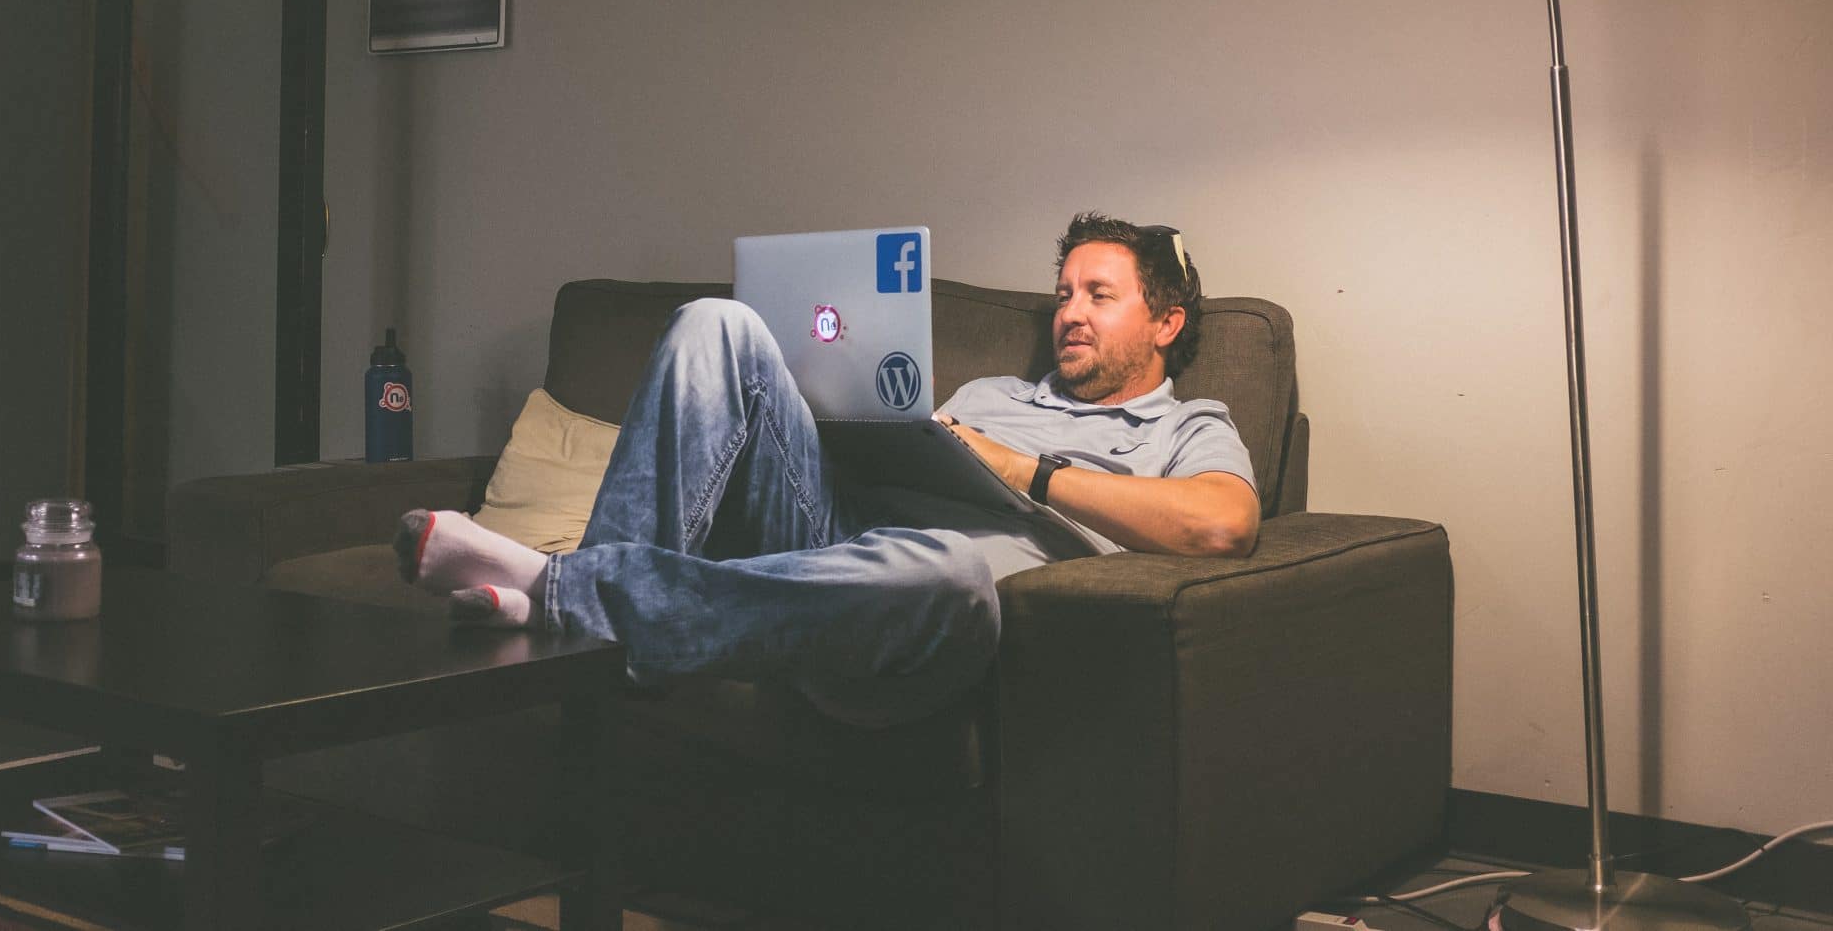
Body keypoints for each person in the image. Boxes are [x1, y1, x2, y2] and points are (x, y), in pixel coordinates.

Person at [395, 212, 1259, 725]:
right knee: (714, 325)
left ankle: (566, 593)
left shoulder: (1185, 426)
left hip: (918, 616)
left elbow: (1220, 525)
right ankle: (595, 615)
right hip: (825, 535)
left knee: (951, 566)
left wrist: (1018, 467)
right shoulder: (993, 389)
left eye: (1099, 296)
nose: (1070, 313)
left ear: (1167, 323)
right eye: (1065, 293)